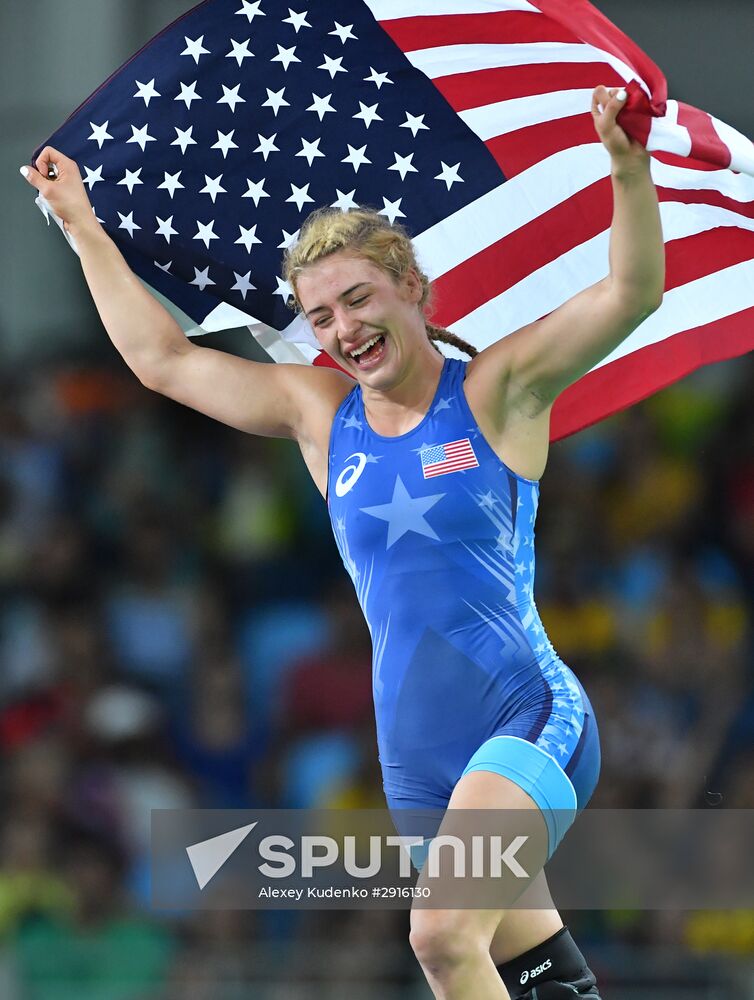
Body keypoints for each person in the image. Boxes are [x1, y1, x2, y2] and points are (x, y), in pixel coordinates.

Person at [21, 84, 664, 999]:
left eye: (359, 299)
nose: (344, 330)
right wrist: (82, 224)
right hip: (413, 757)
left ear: (413, 287)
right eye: (321, 318)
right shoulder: (320, 416)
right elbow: (161, 362)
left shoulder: (497, 390)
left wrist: (627, 167)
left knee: (441, 939)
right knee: (536, 974)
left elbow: (632, 292)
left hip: (528, 720)